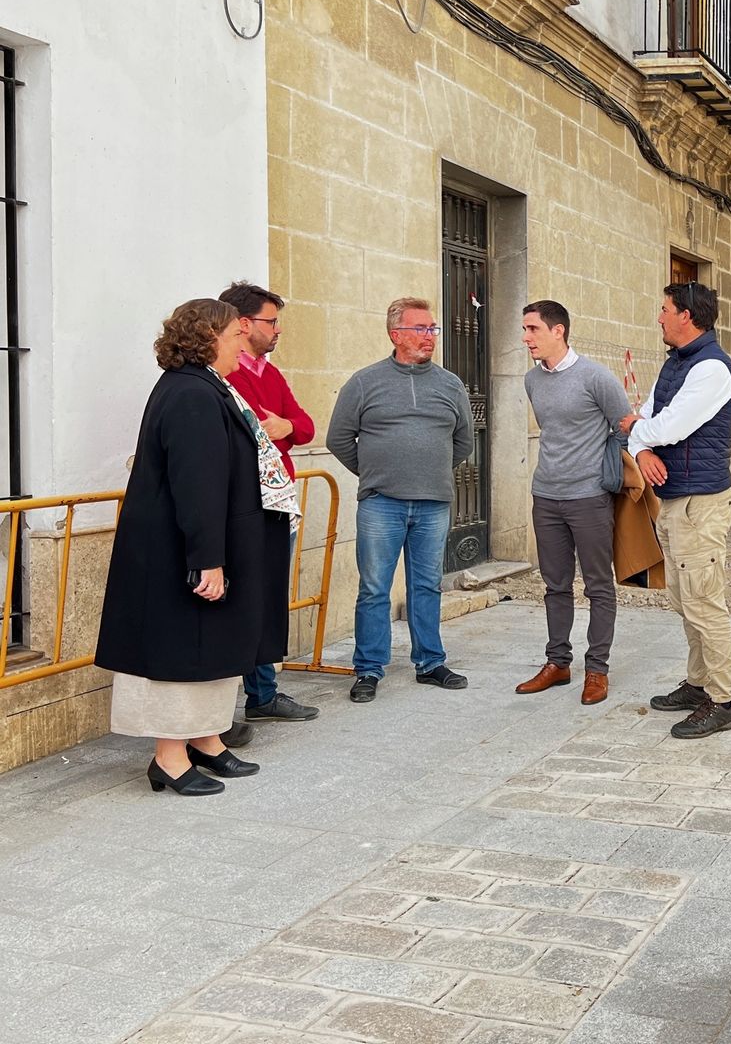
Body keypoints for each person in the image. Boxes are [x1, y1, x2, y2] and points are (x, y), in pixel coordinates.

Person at [96, 299, 298, 796]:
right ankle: (169, 756)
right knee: (182, 651)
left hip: (208, 541)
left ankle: (206, 740)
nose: (242, 342)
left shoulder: (205, 385)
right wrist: (207, 559)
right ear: (208, 337)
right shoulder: (191, 393)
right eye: (235, 334)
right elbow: (197, 483)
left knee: (215, 646)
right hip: (182, 550)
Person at [327, 297, 472, 703]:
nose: (430, 337)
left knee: (427, 585)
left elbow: (463, 441)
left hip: (434, 503)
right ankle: (369, 669)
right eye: (421, 329)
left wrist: (429, 470)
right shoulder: (364, 382)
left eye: (433, 329)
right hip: (381, 503)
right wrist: (377, 473)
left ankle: (430, 662)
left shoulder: (450, 384)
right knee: (374, 588)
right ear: (396, 334)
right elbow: (338, 438)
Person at [619, 282, 731, 740]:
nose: (659, 317)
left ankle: (722, 700)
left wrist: (643, 433)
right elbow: (642, 422)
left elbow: (666, 426)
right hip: (675, 500)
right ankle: (697, 685)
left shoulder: (712, 369)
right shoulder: (676, 363)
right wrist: (642, 447)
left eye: (665, 309)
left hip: (700, 504)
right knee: (683, 599)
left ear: (687, 315)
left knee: (704, 602)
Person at [515, 300, 632, 707]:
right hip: (545, 495)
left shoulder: (595, 377)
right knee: (555, 585)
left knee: (599, 585)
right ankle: (558, 664)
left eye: (533, 329)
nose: (526, 337)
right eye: (525, 329)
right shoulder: (533, 381)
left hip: (589, 498)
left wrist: (602, 474)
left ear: (558, 331)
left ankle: (597, 669)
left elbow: (625, 427)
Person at [216, 280, 319, 724]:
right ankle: (223, 707)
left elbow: (307, 426)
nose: (278, 330)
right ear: (244, 323)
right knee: (235, 602)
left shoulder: (270, 373)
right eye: (271, 321)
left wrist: (286, 427)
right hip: (244, 505)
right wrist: (279, 427)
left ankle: (263, 694)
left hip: (279, 502)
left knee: (267, 599)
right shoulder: (225, 374)